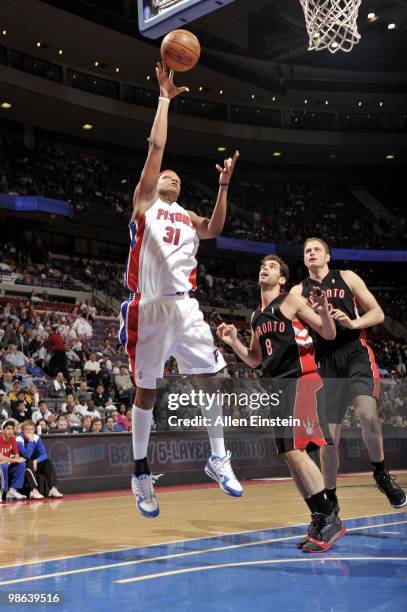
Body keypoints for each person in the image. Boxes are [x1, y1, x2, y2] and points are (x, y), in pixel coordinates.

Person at [120, 62, 241, 519]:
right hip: (149, 308)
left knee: (212, 380)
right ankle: (140, 471)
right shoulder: (145, 204)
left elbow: (215, 227)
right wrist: (165, 98)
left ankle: (218, 457)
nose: (168, 175)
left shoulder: (188, 218)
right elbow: (156, 148)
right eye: (164, 175)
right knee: (146, 391)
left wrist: (224, 184)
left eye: (175, 176)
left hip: (186, 309)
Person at [217, 255, 345, 553]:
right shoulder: (256, 316)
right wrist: (233, 342)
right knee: (290, 456)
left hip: (302, 378)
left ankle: (330, 517)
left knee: (296, 451)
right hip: (279, 386)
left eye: (273, 266)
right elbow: (255, 359)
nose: (265, 268)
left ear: (283, 279)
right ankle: (318, 517)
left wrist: (324, 309)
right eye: (263, 264)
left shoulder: (291, 302)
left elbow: (328, 332)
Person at [291, 237, 406, 510]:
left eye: (317, 249)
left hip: (354, 353)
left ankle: (380, 473)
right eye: (307, 251)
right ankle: (330, 495)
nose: (311, 253)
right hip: (324, 362)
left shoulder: (346, 277)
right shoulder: (298, 291)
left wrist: (353, 323)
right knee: (329, 440)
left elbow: (378, 313)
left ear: (328, 256)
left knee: (367, 413)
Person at [16, 420, 63, 499]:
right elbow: (27, 455)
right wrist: (31, 442)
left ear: (34, 430)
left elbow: (44, 454)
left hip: (34, 463)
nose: (30, 431)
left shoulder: (37, 438)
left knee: (48, 462)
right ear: (23, 430)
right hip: (23, 465)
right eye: (27, 429)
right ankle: (33, 490)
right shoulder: (18, 440)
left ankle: (53, 489)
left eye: (31, 429)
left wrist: (36, 460)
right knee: (28, 462)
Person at [0, 419, 27, 501]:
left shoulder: (12, 439)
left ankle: (12, 490)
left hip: (6, 464)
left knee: (22, 464)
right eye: (8, 429)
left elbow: (17, 456)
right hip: (1, 465)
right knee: (4, 465)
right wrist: (15, 460)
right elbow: (0, 457)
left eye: (12, 429)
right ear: (3, 430)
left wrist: (17, 460)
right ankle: (2, 491)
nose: (10, 431)